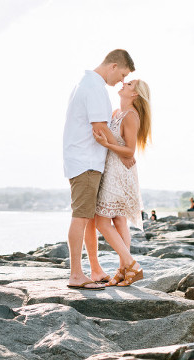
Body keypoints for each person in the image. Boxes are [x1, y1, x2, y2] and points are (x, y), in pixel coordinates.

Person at [62, 49, 134, 290]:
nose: (121, 81)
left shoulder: (88, 84)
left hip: (87, 160)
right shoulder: (93, 87)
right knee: (81, 216)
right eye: (122, 74)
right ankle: (75, 275)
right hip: (85, 161)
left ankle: (94, 269)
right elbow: (100, 127)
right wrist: (123, 151)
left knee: (90, 219)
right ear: (113, 66)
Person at [92, 79, 152, 287]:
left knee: (101, 221)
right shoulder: (116, 111)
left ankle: (132, 264)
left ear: (134, 94)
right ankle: (122, 271)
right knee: (118, 221)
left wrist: (106, 144)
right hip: (112, 169)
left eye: (129, 85)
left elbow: (130, 151)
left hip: (120, 173)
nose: (124, 83)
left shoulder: (131, 116)